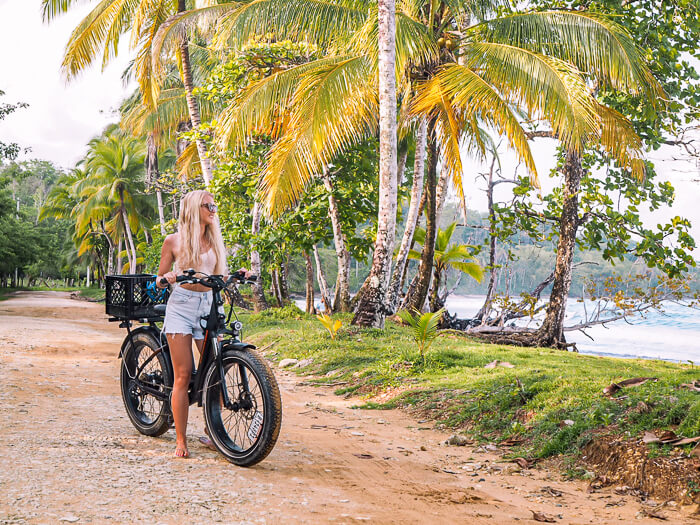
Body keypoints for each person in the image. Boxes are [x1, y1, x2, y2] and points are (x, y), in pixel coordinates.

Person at [156, 190, 228, 458]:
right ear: (193, 208)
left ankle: (213, 433)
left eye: (214, 205)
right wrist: (168, 278)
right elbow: (159, 278)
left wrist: (238, 275)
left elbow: (219, 274)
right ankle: (181, 440)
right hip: (182, 308)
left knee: (214, 371)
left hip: (209, 305)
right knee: (183, 374)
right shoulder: (173, 241)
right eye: (207, 205)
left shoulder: (215, 242)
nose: (213, 209)